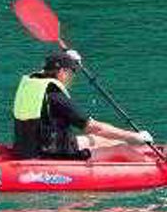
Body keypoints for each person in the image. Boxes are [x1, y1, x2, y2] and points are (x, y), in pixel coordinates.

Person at [11, 50, 153, 159]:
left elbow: (49, 67)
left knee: (98, 140)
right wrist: (134, 136)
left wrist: (67, 58)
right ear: (62, 72)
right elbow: (93, 127)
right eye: (72, 73)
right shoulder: (56, 97)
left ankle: (143, 151)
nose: (72, 78)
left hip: (30, 149)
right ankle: (154, 168)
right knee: (122, 149)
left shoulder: (32, 84)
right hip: (54, 155)